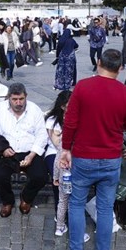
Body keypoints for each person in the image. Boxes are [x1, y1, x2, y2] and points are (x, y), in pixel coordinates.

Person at [59, 48, 126, 250]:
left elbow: (70, 123)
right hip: (110, 159)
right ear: (121, 69)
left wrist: (66, 149)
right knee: (105, 209)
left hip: (84, 157)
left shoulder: (83, 88)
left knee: (76, 204)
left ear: (98, 63)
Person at [0, 82, 49, 217]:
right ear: (9, 98)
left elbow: (42, 134)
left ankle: (26, 198)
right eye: (14, 99)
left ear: (26, 97)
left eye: (21, 99)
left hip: (29, 151)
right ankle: (7, 201)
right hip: (6, 151)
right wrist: (2, 149)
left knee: (41, 176)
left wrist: (31, 155)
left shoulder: (34, 109)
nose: (18, 103)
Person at [45, 90, 74, 237]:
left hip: (73, 154)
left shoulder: (78, 116)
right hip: (55, 153)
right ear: (63, 106)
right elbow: (57, 145)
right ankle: (61, 214)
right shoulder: (53, 121)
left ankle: (68, 214)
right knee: (59, 180)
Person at [54, 24, 78, 90]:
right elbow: (76, 46)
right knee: (71, 70)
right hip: (71, 57)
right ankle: (72, 82)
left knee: (61, 70)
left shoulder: (61, 40)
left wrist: (57, 57)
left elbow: (58, 49)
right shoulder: (71, 40)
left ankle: (60, 83)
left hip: (62, 57)